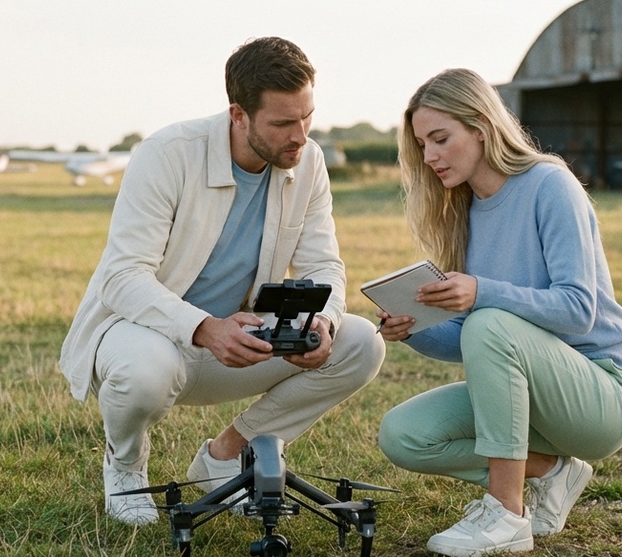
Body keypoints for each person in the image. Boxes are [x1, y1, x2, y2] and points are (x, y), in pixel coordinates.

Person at [60, 37, 386, 525]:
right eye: (282, 124)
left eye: (307, 118)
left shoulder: (308, 160)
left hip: (241, 340)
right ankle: (125, 466)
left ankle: (224, 458)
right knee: (146, 370)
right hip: (146, 336)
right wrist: (207, 327)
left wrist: (324, 321)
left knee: (361, 342)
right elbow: (122, 276)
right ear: (238, 115)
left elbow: (325, 266)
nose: (299, 136)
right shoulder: (166, 154)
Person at [375, 68, 622, 557]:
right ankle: (552, 472)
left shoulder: (550, 185)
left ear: (481, 125)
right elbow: (479, 345)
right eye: (422, 145)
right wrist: (413, 329)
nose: (430, 156)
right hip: (532, 400)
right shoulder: (465, 211)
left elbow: (578, 311)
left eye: (440, 139)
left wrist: (480, 292)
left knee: (489, 319)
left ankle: (505, 513)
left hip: (602, 397)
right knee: (403, 435)